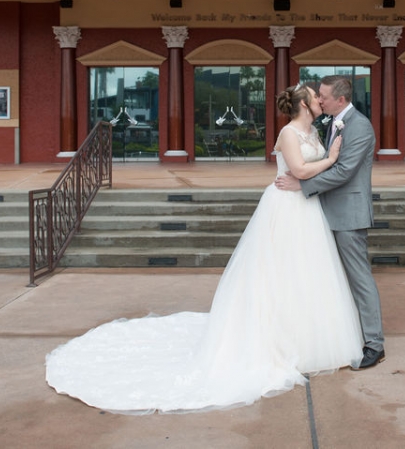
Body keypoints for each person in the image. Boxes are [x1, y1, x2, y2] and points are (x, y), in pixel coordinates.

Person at [45, 84, 363, 414]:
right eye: (314, 96)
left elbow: (307, 174)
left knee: (307, 273)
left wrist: (324, 161)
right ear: (303, 103)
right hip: (286, 208)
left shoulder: (316, 130)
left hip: (309, 209)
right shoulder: (288, 132)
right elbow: (297, 171)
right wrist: (331, 159)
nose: (319, 99)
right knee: (278, 272)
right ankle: (277, 341)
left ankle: (310, 339)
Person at [276, 74, 385, 370]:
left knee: (359, 279)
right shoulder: (331, 123)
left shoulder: (359, 126)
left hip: (347, 214)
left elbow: (345, 171)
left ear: (340, 99)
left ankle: (375, 344)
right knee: (332, 279)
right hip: (323, 213)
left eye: (323, 96)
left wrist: (303, 186)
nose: (319, 100)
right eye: (317, 96)